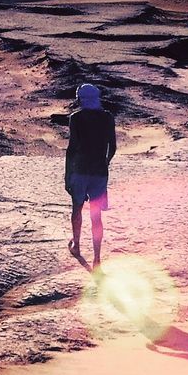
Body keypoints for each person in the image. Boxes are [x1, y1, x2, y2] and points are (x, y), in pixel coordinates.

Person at [65, 82, 116, 267]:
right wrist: (104, 162)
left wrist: (67, 174)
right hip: (99, 173)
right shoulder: (108, 117)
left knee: (77, 209)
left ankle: (77, 245)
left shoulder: (76, 118)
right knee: (96, 216)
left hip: (79, 171)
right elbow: (113, 147)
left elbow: (72, 149)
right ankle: (97, 259)